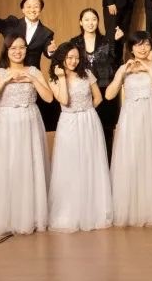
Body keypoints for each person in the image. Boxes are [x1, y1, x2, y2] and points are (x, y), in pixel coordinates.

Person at [0, 34, 54, 235]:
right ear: (6, 51)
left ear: (26, 50)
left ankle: (32, 215)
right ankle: (8, 217)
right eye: (13, 48)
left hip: (30, 121)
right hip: (7, 124)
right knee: (8, 165)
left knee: (30, 163)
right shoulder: (0, 73)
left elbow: (48, 98)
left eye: (21, 47)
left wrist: (33, 79)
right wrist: (3, 81)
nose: (17, 51)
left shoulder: (34, 71)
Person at [104, 32, 152, 227]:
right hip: (131, 118)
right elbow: (109, 95)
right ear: (131, 48)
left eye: (146, 44)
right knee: (132, 158)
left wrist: (148, 69)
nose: (143, 48)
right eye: (138, 45)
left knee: (151, 158)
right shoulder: (124, 68)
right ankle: (131, 207)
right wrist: (122, 73)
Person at [47, 43, 113, 233]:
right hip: (68, 122)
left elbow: (98, 97)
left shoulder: (86, 74)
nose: (73, 61)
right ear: (61, 58)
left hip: (89, 120)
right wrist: (62, 78)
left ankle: (93, 209)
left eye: (76, 57)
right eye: (69, 57)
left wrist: (87, 111)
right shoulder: (54, 78)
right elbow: (64, 100)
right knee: (70, 163)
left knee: (91, 162)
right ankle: (70, 211)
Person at [68, 8, 122, 158]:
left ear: (98, 22)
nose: (90, 23)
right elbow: (69, 64)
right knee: (84, 130)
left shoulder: (107, 41)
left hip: (104, 88)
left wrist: (118, 42)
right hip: (83, 89)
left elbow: (116, 61)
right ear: (81, 22)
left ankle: (106, 163)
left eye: (93, 19)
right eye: (86, 19)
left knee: (106, 130)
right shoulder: (74, 42)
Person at [0, 0, 56, 69]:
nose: (32, 10)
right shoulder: (12, 23)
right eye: (28, 6)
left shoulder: (46, 33)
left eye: (36, 7)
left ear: (40, 9)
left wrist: (51, 51)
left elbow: (49, 52)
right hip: (6, 71)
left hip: (31, 74)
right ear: (23, 9)